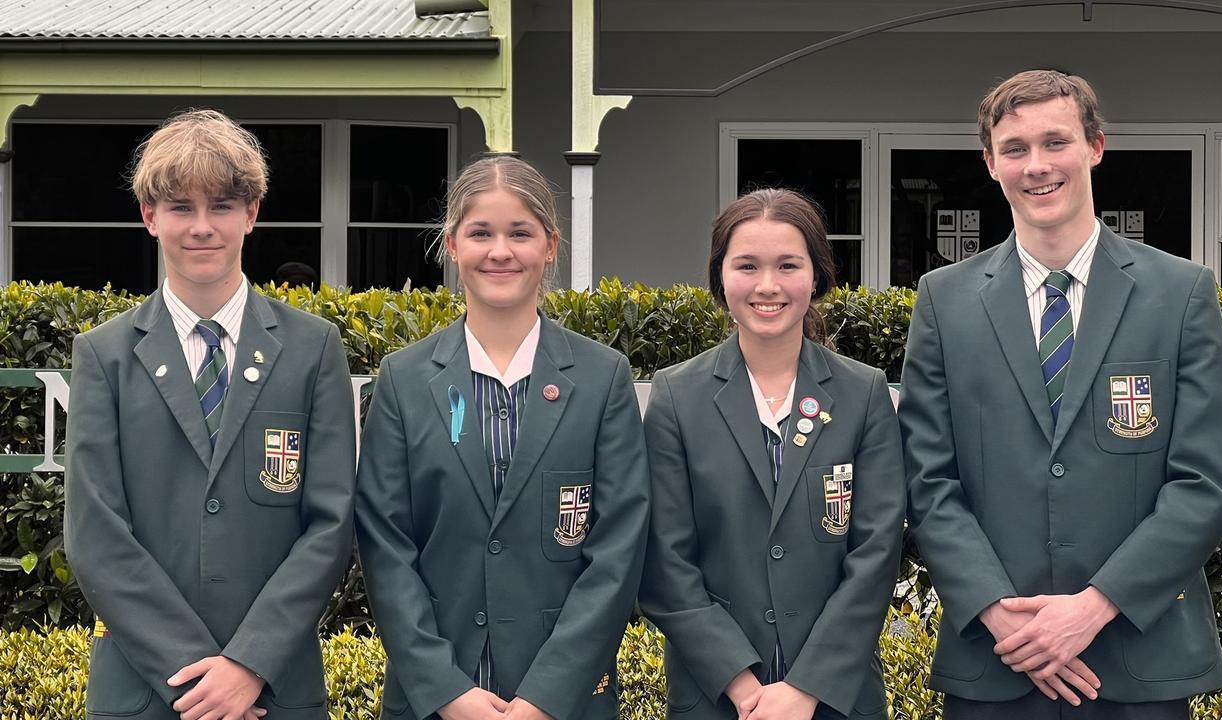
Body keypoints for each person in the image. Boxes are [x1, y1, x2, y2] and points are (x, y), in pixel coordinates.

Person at [898, 69, 1222, 719]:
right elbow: (926, 482)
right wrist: (1003, 618)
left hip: (1139, 661)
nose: (1038, 165)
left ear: (1095, 147)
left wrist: (1092, 609)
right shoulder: (943, 302)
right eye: (1016, 149)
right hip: (997, 661)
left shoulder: (1181, 294)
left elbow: (1206, 482)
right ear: (991, 163)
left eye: (1056, 142)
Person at [65, 109, 356, 720]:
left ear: (252, 214)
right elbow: (96, 536)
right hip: (147, 694)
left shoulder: (312, 349)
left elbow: (330, 524)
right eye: (180, 208)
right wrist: (201, 682)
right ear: (149, 217)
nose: (202, 227)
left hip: (275, 690)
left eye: (222, 206)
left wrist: (248, 664)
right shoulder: (104, 356)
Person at [354, 156, 650, 720]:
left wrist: (545, 697)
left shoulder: (602, 378)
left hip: (566, 703)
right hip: (433, 699)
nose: (500, 251)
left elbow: (617, 554)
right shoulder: (403, 379)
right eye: (480, 233)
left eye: (521, 233)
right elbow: (385, 547)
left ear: (550, 246)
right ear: (452, 244)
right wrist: (447, 692)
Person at [640, 188, 905, 720]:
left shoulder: (864, 394)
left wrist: (806, 687)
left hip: (838, 698)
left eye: (788, 265)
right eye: (747, 266)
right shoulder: (676, 397)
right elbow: (665, 561)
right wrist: (742, 686)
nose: (768, 285)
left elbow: (876, 555)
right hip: (714, 696)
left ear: (817, 275)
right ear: (721, 277)